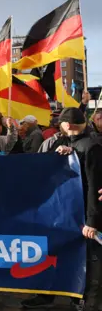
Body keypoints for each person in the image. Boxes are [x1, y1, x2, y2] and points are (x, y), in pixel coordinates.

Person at [23, 108, 102, 310]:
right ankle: (48, 294)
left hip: (82, 214)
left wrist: (92, 221)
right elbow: (45, 165)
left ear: (67, 125)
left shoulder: (91, 146)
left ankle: (86, 301)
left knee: (89, 260)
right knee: (54, 254)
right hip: (62, 212)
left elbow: (95, 186)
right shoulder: (64, 142)